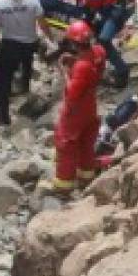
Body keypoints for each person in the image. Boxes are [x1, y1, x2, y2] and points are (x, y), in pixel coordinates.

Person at [46, 20, 106, 194]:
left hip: (75, 111)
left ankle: (63, 185)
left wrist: (64, 71)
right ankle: (86, 175)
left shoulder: (81, 67)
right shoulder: (98, 52)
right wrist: (74, 60)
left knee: (66, 143)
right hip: (90, 106)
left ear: (73, 43)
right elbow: (94, 66)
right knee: (87, 141)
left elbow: (72, 93)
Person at [0, 0, 47, 126]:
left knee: (4, 80)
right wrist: (50, 38)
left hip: (10, 45)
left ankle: (4, 115)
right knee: (27, 64)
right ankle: (25, 87)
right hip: (29, 42)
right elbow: (42, 22)